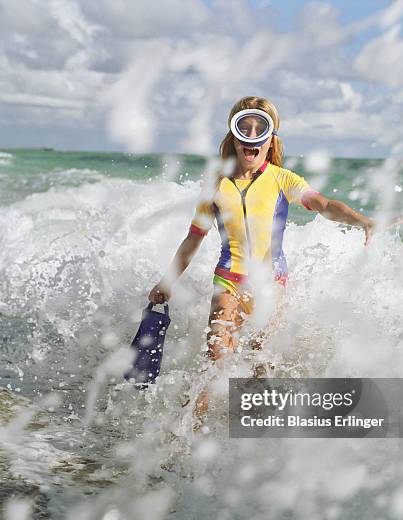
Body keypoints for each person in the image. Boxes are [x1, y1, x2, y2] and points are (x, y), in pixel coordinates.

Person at [149, 96, 389, 425]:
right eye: (243, 127)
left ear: (270, 137)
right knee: (215, 356)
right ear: (233, 136)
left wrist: (363, 220)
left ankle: (252, 436)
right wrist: (166, 282)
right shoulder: (216, 185)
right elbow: (193, 239)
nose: (251, 135)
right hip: (228, 281)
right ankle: (187, 432)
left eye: (259, 127)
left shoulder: (282, 179)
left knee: (262, 363)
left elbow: (323, 204)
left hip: (271, 284)